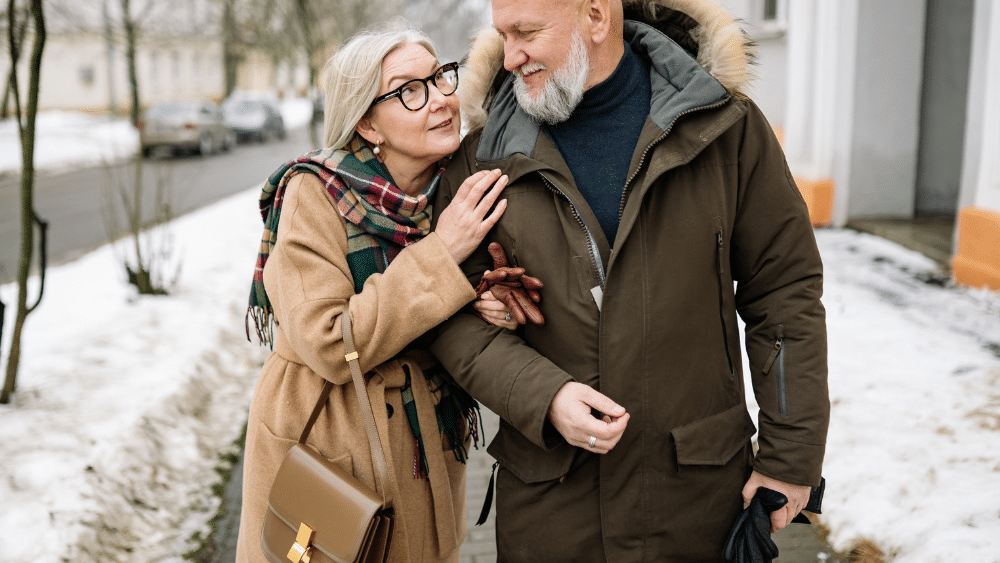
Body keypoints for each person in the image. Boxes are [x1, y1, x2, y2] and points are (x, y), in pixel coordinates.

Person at [429, 0, 830, 561]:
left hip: (695, 502)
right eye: (502, 34)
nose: (509, 56)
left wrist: (790, 460)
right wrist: (544, 397)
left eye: (526, 33)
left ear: (596, 18)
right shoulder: (484, 156)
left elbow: (784, 293)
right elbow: (447, 314)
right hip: (552, 513)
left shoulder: (724, 128)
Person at [234, 23, 527, 563]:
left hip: (424, 447)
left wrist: (484, 304)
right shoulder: (313, 195)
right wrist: (444, 253)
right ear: (368, 122)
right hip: (330, 444)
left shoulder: (452, 189)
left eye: (440, 78)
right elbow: (329, 341)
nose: (440, 100)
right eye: (408, 91)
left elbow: (432, 305)